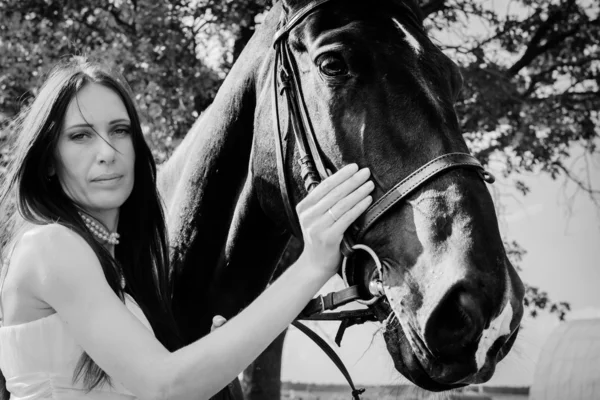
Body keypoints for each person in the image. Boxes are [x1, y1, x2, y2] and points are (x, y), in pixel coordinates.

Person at [0, 56, 374, 400]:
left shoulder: (114, 264)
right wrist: (312, 264)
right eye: (80, 135)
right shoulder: (50, 246)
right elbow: (167, 384)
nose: (107, 152)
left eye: (119, 131)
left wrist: (216, 357)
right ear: (48, 160)